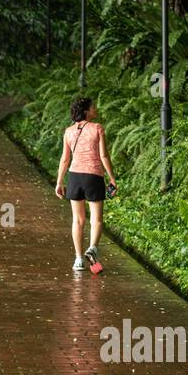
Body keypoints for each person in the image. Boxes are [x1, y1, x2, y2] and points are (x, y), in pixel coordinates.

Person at [54, 95, 118, 272]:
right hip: (93, 177)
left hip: (74, 177)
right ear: (86, 111)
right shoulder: (97, 128)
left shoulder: (68, 131)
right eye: (93, 107)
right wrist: (112, 178)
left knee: (78, 220)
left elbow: (65, 159)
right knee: (96, 219)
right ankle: (92, 249)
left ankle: (78, 260)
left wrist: (59, 181)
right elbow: (104, 156)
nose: (95, 110)